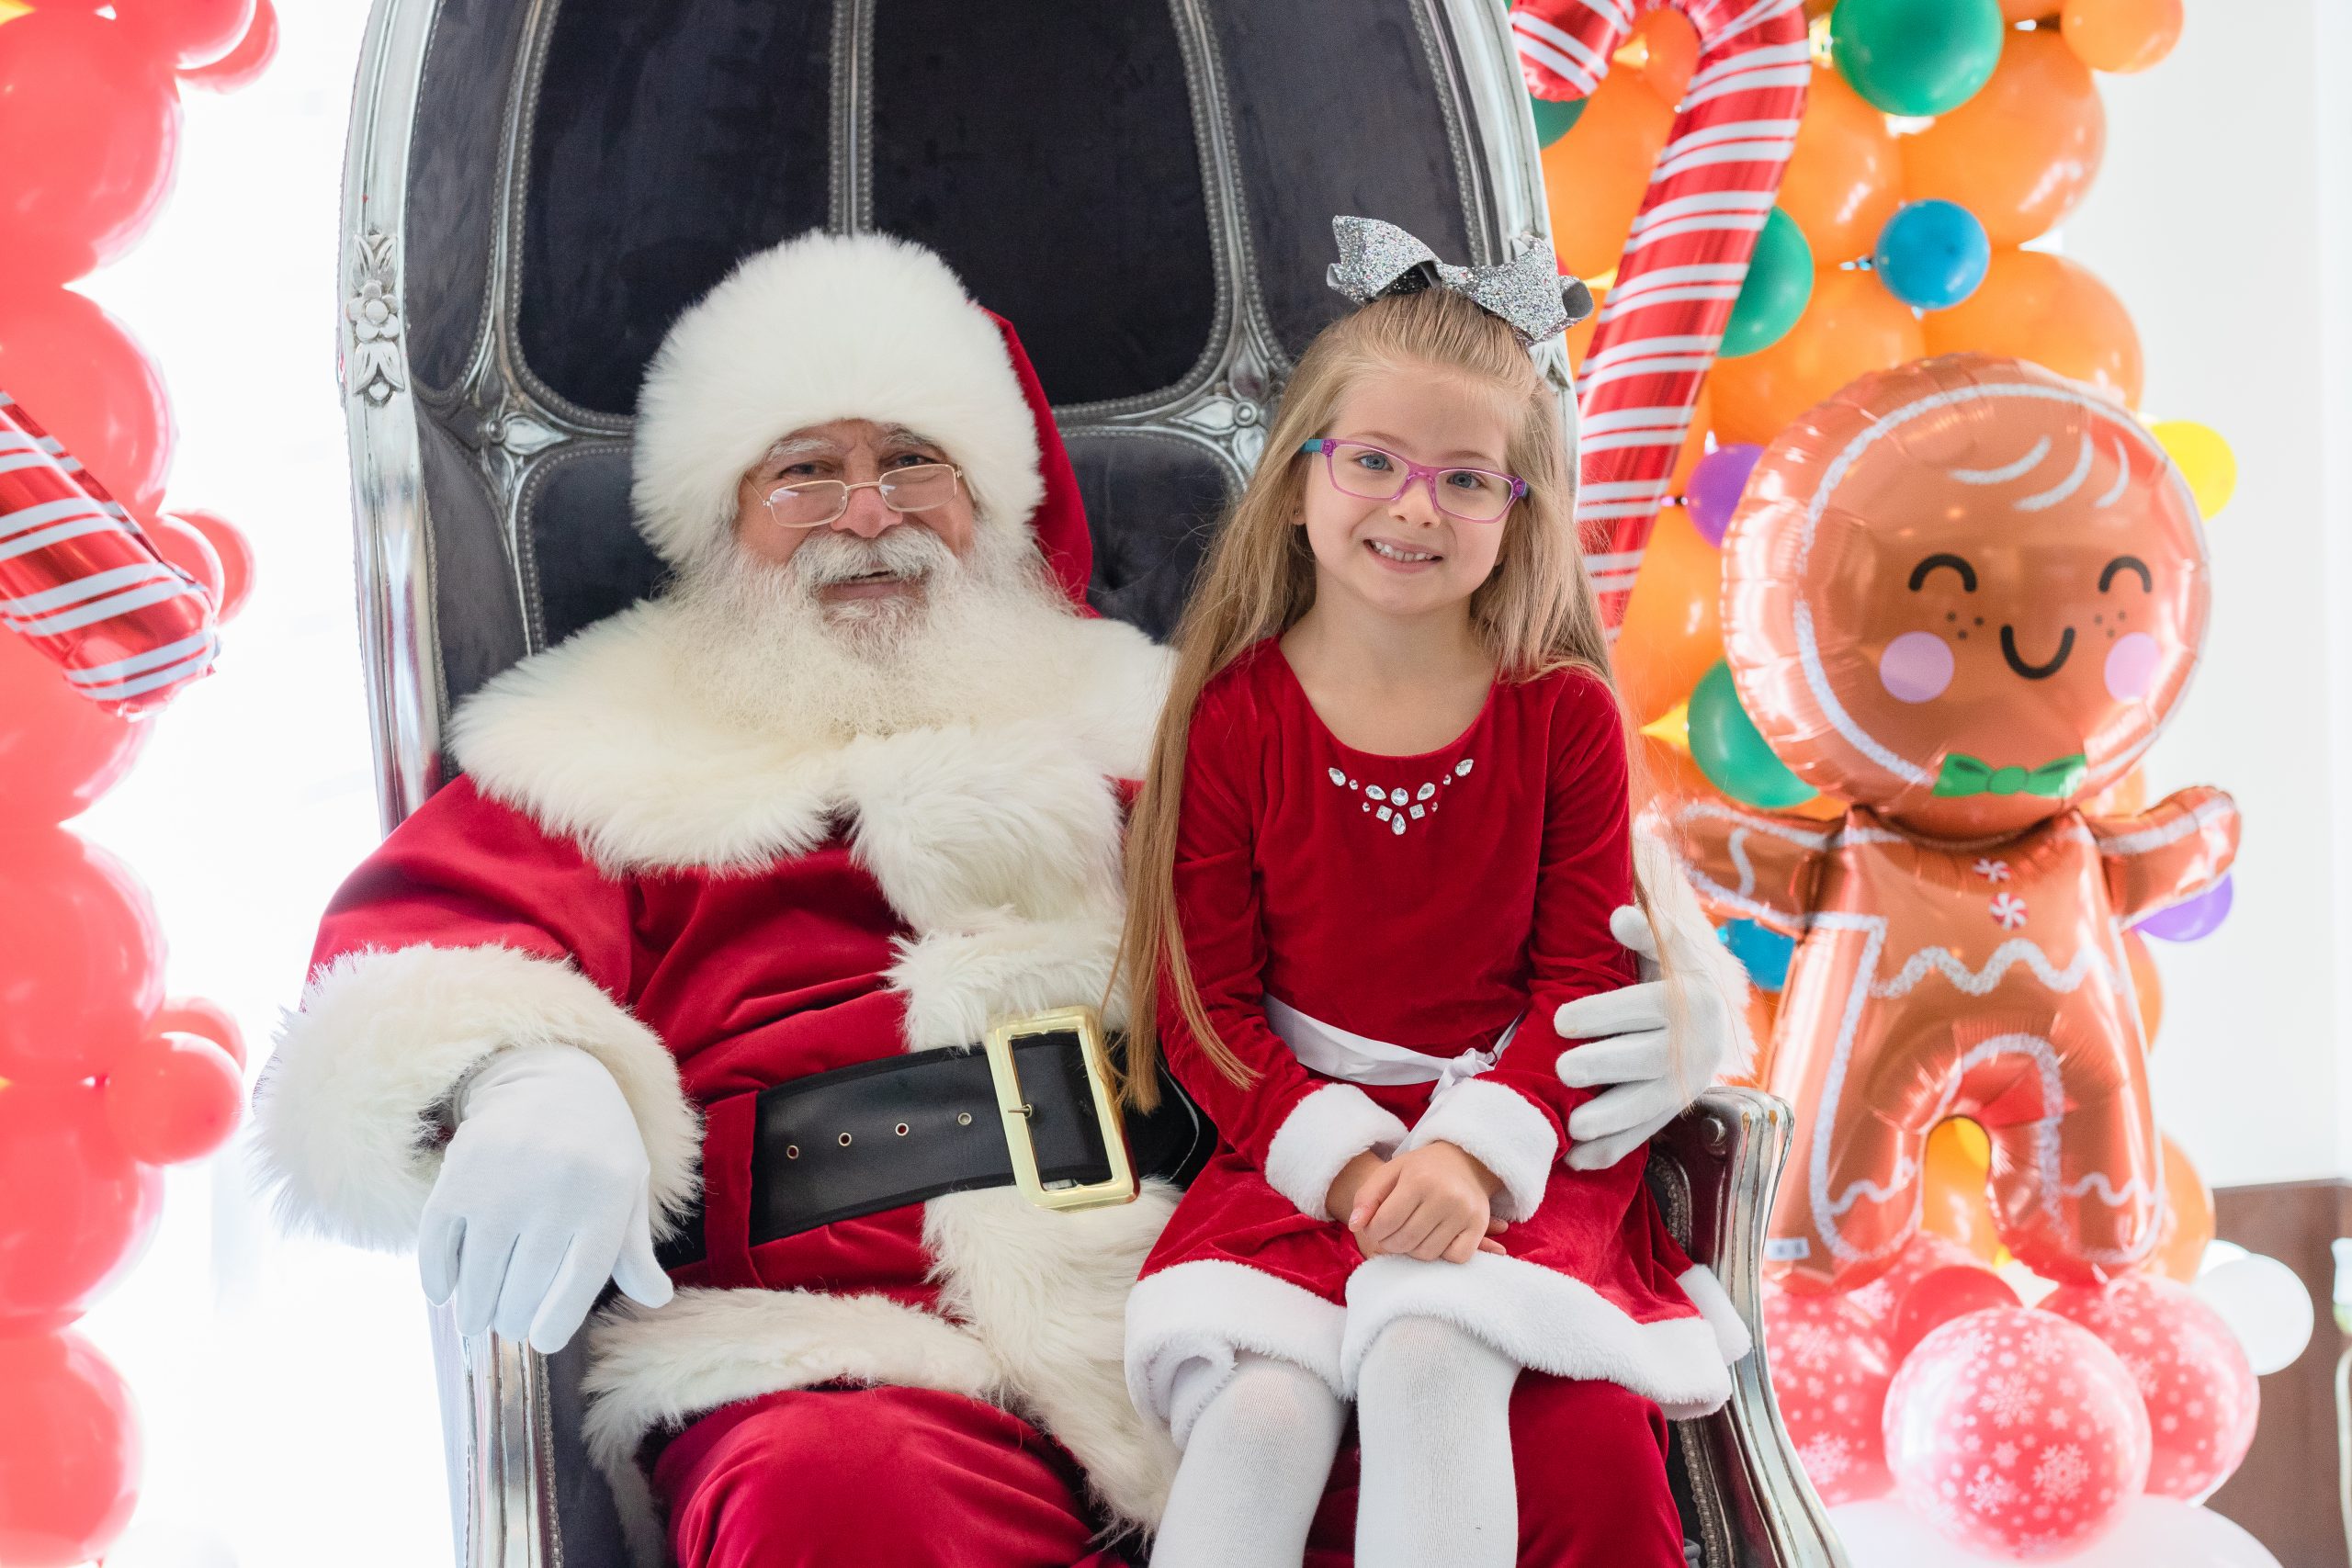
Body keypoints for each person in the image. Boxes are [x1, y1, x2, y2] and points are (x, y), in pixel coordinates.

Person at [254, 227, 1746, 1568]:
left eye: (913, 459)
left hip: (1236, 1276)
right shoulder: (594, 751)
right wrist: (531, 1077)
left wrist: (1660, 988)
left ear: (994, 503)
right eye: (803, 470)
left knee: (1561, 1449)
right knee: (837, 1500)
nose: (865, 511)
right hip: (844, 1343)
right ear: (719, 514)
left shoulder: (1167, 718)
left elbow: (1459, 874)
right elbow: (424, 953)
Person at [1117, 220, 1753, 1568]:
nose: (1414, 508)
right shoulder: (1236, 715)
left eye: (1468, 481)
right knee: (1260, 1414)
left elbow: (1584, 978)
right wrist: (1349, 1168)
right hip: (1305, 1149)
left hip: (1519, 1138)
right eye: (1375, 464)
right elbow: (1206, 1012)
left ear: (1521, 512)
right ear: (1299, 480)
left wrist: (1472, 1155)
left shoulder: (1563, 717)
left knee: (1429, 1349)